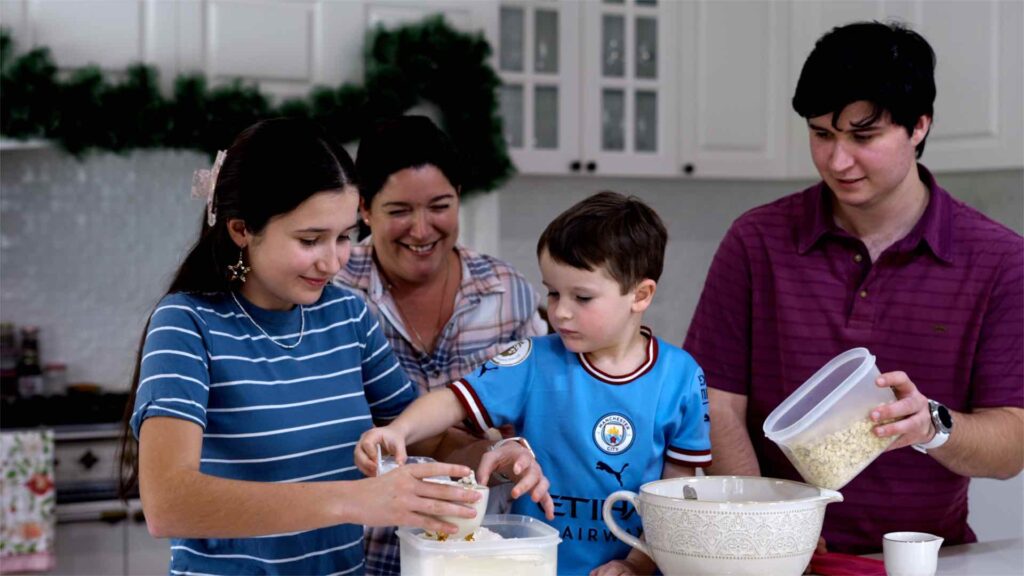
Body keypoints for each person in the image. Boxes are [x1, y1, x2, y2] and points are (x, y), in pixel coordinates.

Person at [117, 118, 514, 574]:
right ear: (242, 229)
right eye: (310, 240)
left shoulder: (347, 316)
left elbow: (428, 437)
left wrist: (496, 460)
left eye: (344, 236)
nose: (333, 261)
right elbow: (169, 504)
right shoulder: (187, 324)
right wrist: (354, 500)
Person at [685, 21, 1023, 555]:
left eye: (863, 137)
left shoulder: (1000, 260)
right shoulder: (757, 240)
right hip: (775, 558)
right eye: (821, 135)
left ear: (918, 126)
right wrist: (770, 532)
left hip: (928, 558)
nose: (837, 161)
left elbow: (1011, 447)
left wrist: (932, 425)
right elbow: (716, 405)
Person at [357, 191, 713, 576]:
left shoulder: (681, 377)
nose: (560, 311)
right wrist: (399, 429)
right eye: (554, 292)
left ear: (640, 295)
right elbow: (450, 401)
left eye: (582, 297)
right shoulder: (532, 360)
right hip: (530, 564)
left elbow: (678, 496)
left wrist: (637, 564)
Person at [333, 115, 548, 575]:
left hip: (475, 555)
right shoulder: (332, 291)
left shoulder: (506, 292)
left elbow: (545, 414)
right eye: (398, 211)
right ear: (364, 210)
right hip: (352, 557)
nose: (422, 228)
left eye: (439, 205)